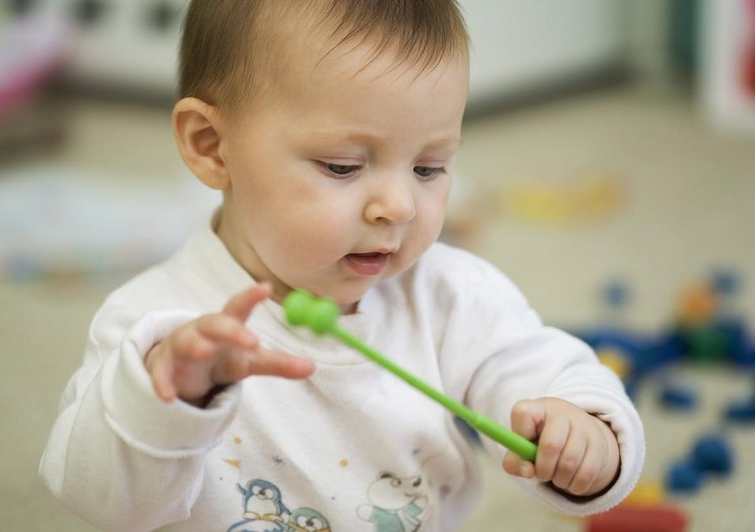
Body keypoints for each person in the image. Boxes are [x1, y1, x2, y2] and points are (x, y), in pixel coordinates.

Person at [40, 1, 644, 530]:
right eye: (342, 166)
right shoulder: (155, 329)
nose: (399, 206)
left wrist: (585, 434)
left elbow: (542, 374)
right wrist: (167, 398)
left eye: (429, 168)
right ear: (210, 145)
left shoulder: (449, 295)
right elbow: (103, 503)